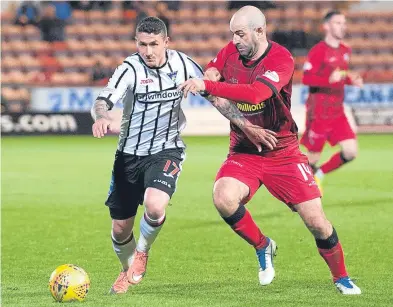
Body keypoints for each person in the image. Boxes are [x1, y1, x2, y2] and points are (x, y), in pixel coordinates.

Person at [179, 6, 361, 295]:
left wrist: (208, 83)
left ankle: (341, 277)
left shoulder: (281, 58)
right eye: (232, 34)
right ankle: (263, 245)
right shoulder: (230, 51)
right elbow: (211, 83)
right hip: (244, 150)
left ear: (259, 31)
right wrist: (215, 84)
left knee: (317, 222)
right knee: (223, 196)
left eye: (240, 34)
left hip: (282, 150)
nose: (235, 40)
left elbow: (256, 93)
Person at [91, 16, 268, 295]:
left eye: (153, 44)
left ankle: (142, 253)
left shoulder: (183, 65)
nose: (147, 51)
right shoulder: (129, 68)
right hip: (129, 155)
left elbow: (215, 97)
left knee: (155, 204)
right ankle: (128, 270)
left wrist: (246, 126)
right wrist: (101, 117)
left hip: (166, 149)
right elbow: (103, 100)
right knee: (120, 229)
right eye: (142, 44)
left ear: (166, 42)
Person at [300, 11, 364, 193]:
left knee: (351, 151)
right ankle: (297, 187)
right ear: (326, 26)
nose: (342, 26)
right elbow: (306, 79)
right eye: (337, 23)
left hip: (337, 112)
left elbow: (339, 77)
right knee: (311, 158)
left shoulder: (345, 50)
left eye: (344, 23)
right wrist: (328, 79)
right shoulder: (318, 51)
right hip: (319, 112)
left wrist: (351, 80)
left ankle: (319, 173)